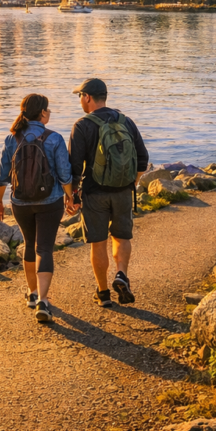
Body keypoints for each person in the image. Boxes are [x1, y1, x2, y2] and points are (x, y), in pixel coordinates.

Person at [68, 77, 149, 307]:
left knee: (98, 242)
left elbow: (74, 169)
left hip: (94, 193)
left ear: (87, 97)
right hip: (123, 191)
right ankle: (121, 274)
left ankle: (103, 293)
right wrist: (130, 182)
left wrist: (72, 196)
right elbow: (143, 159)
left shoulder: (82, 126)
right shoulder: (126, 121)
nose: (80, 101)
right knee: (122, 237)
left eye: (80, 97)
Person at [0, 93, 75, 323]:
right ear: (42, 113)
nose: (49, 113)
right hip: (50, 202)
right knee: (45, 248)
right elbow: (64, 174)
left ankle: (31, 295)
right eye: (48, 109)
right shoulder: (54, 138)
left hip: (20, 203)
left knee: (30, 244)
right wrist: (70, 197)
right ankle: (43, 299)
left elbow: (2, 176)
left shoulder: (12, 138)